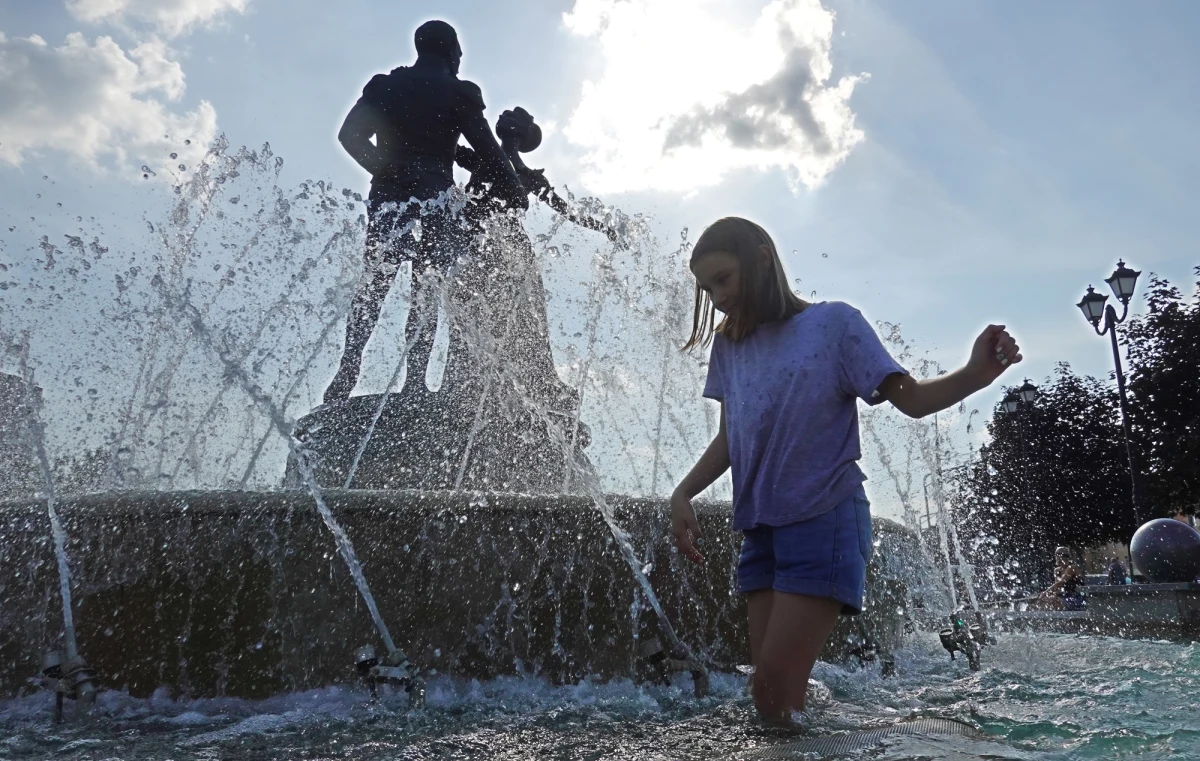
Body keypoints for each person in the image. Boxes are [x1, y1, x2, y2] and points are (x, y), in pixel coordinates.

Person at [667, 217, 1022, 725]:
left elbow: (913, 400)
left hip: (823, 518)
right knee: (769, 696)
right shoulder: (730, 345)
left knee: (772, 695)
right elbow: (731, 436)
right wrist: (684, 491)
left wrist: (975, 374)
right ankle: (843, 732)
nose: (717, 297)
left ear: (763, 258)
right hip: (760, 529)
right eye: (707, 287)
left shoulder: (833, 324)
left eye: (723, 279)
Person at [323, 20, 527, 405]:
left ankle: (346, 372)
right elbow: (487, 149)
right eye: (459, 54)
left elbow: (349, 136)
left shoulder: (384, 86)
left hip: (389, 197)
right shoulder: (460, 92)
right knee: (426, 287)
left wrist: (384, 169)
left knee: (374, 284)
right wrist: (515, 190)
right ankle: (414, 381)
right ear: (451, 52)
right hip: (437, 198)